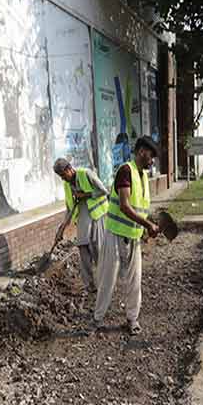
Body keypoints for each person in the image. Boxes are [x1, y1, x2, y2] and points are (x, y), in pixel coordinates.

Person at [88, 136, 161, 335]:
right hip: (115, 234)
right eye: (151, 156)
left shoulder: (143, 175)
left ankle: (132, 319)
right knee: (107, 279)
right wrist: (147, 224)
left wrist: (147, 227)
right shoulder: (125, 171)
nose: (152, 161)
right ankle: (97, 319)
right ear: (141, 152)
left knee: (134, 280)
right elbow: (125, 205)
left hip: (133, 237)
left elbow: (140, 208)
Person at [53, 157, 109, 294]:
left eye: (62, 175)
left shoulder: (86, 174)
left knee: (97, 250)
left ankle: (105, 283)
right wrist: (62, 228)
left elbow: (104, 191)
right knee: (83, 249)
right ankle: (89, 285)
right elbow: (69, 208)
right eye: (60, 176)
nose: (62, 179)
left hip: (96, 216)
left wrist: (86, 194)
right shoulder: (67, 185)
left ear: (69, 169)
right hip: (83, 219)